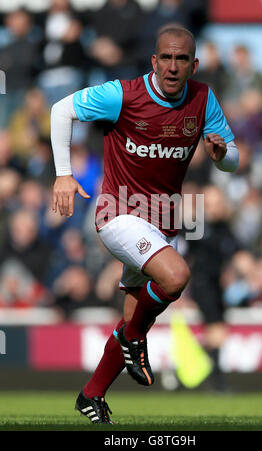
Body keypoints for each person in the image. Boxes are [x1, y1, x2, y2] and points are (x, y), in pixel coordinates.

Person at [50, 26, 239, 425]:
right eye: (165, 58)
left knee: (135, 317)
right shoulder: (123, 94)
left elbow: (233, 157)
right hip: (118, 214)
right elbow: (60, 110)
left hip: (161, 224)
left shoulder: (204, 99)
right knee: (175, 278)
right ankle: (132, 339)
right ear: (154, 61)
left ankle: (92, 394)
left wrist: (222, 155)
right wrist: (63, 174)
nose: (173, 66)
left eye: (181, 59)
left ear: (194, 65)